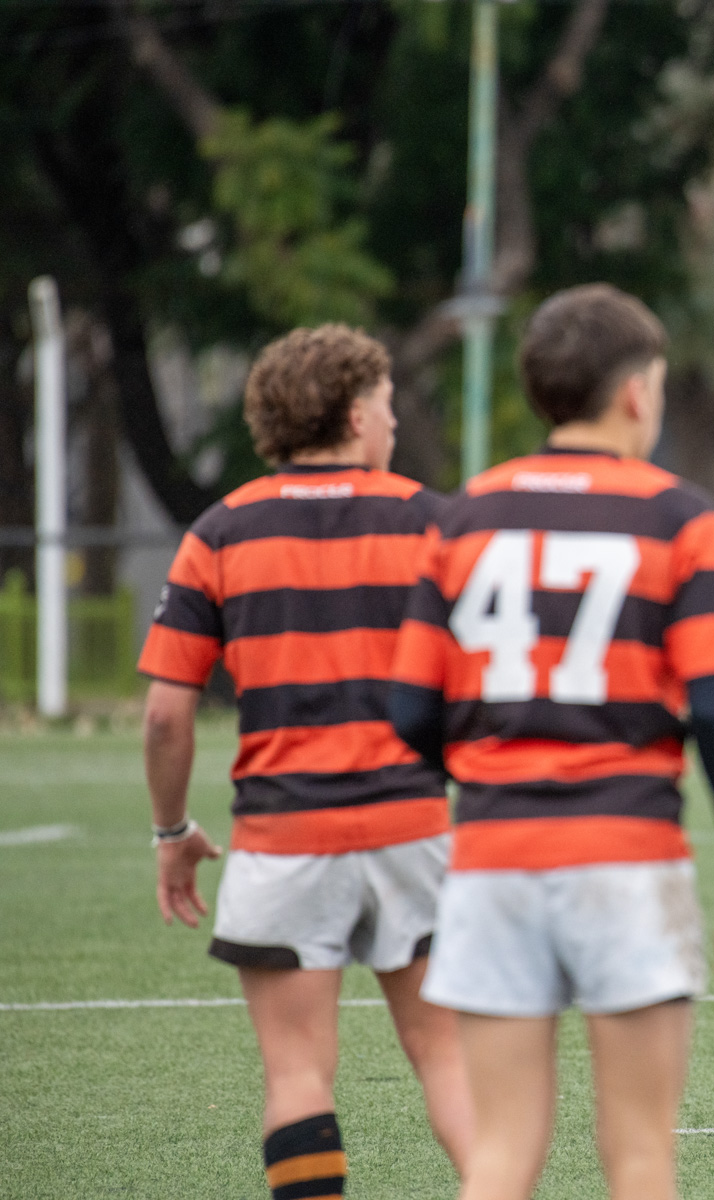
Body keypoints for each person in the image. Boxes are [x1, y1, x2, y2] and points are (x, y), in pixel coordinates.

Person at [388, 283, 714, 1200]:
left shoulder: (463, 517)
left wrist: (493, 771)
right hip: (626, 856)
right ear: (638, 393)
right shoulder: (684, 518)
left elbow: (408, 715)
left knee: (499, 1155)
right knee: (638, 1155)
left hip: (491, 859)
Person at [139, 324, 474, 1200]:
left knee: (296, 1076)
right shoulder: (434, 522)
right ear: (358, 413)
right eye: (391, 408)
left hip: (283, 836)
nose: (395, 426)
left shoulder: (217, 533)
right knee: (448, 1059)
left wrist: (171, 830)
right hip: (414, 825)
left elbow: (167, 716)